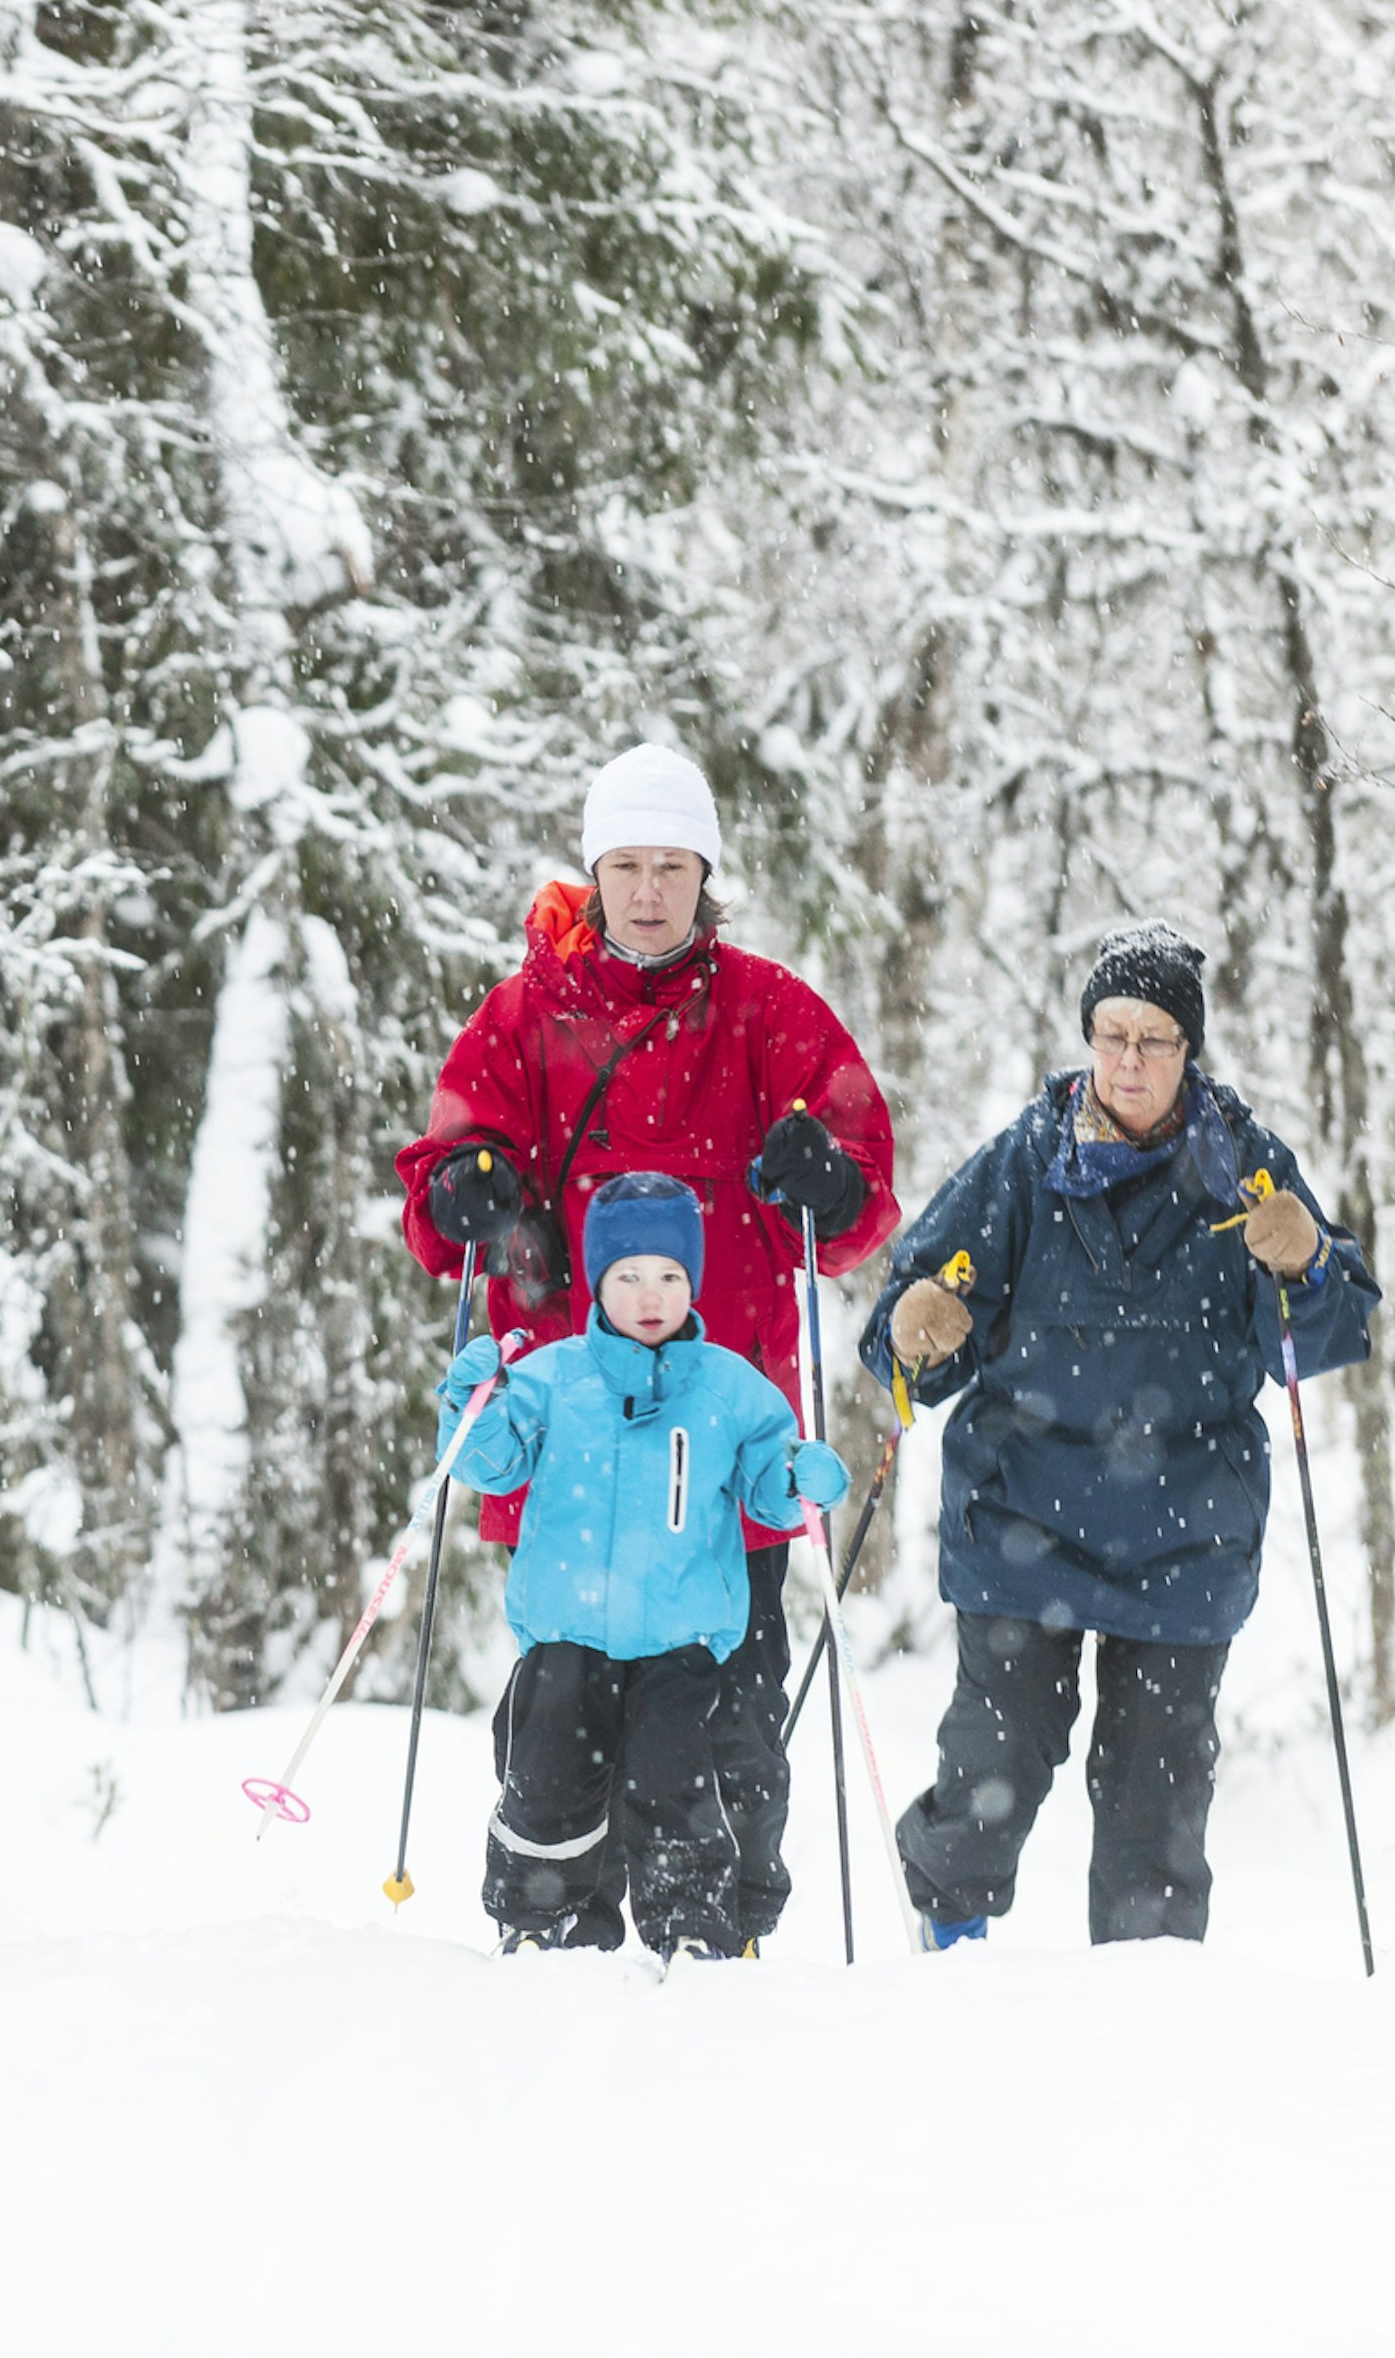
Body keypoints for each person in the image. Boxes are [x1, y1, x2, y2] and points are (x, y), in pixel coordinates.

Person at [396, 742, 899, 1949]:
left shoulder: (772, 1014)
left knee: (727, 1715)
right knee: (563, 1709)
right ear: (594, 871)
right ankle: (555, 1916)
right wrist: (467, 1186)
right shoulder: (524, 1019)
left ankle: (717, 1926)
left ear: (705, 873)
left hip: (723, 1449)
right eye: (627, 864)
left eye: (673, 865)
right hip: (565, 1438)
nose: (650, 890)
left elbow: (864, 1198)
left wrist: (827, 1178)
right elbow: (436, 1190)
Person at [857, 925, 1380, 1947]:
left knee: (1156, 1803)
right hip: (1022, 1514)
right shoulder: (1022, 1161)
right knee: (994, 1768)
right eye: (1111, 1035)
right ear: (1087, 1038)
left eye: (1155, 1037)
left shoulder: (1245, 1164)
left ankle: (1146, 2011)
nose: (1130, 1060)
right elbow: (908, 1336)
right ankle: (949, 1943)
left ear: (1190, 1049)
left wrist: (1308, 1262)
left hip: (1186, 1527)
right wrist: (917, 1331)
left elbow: (1328, 1331)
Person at [437, 1174, 848, 1960]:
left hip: (678, 1637)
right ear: (598, 1282)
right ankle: (538, 1916)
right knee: (549, 1772)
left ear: (692, 1281)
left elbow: (769, 1486)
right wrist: (473, 1411)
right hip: (569, 1630)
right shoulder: (553, 1378)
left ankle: (692, 1924)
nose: (650, 1295)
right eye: (628, 1276)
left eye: (669, 1275)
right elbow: (487, 1465)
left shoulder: (729, 1388)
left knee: (677, 1780)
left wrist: (801, 1478)